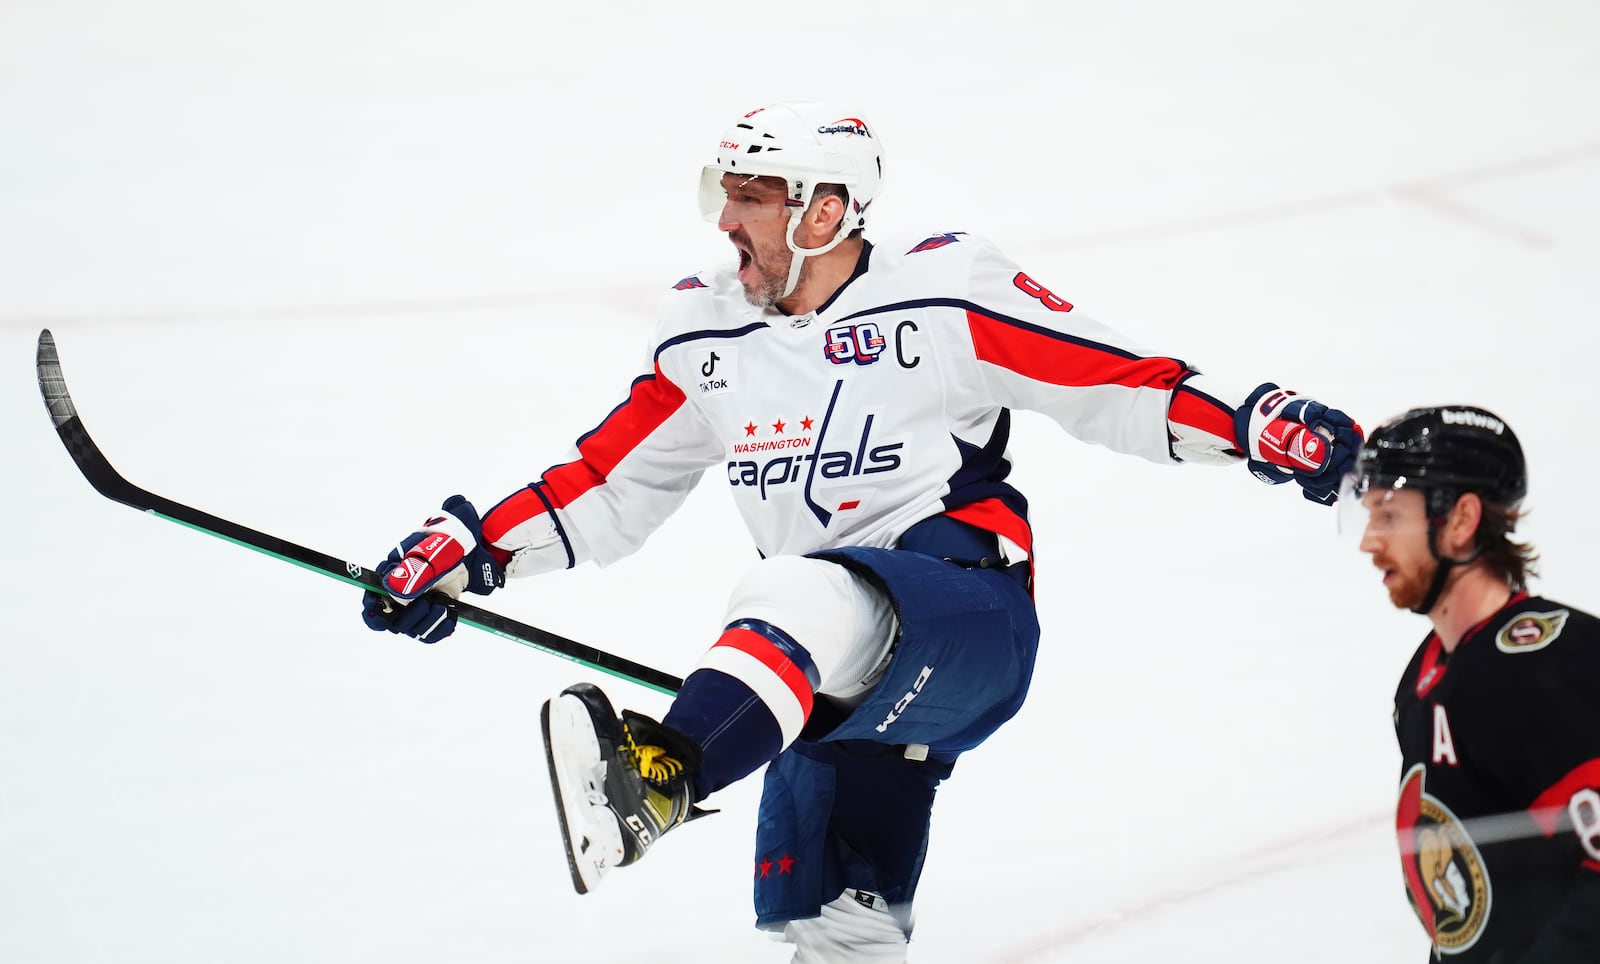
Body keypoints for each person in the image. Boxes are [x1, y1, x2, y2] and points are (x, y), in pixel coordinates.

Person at [360, 100, 1363, 960]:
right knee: (835, 935)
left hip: (966, 620)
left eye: (752, 196)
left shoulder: (940, 299)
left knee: (793, 589)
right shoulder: (707, 340)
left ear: (825, 209)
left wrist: (1253, 423)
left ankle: (662, 772)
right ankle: (706, 773)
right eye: (727, 191)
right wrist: (471, 549)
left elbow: (1112, 384)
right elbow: (604, 484)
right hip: (822, 680)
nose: (726, 218)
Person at [1348, 406, 1600, 962]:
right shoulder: (1425, 675)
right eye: (1367, 516)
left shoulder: (1549, 667)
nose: (1368, 541)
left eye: (1388, 516)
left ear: (1461, 520)